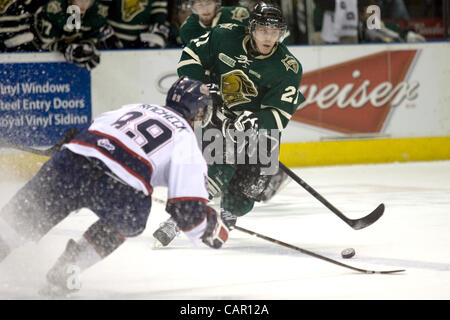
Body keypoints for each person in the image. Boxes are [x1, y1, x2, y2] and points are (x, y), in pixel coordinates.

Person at [0, 76, 229, 296]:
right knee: (131, 219)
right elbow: (187, 212)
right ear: (200, 113)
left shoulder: (134, 107)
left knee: (16, 225)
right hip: (120, 190)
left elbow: (93, 130)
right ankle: (69, 266)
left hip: (72, 161)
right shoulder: (186, 139)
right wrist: (210, 228)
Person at [153, 1, 304, 246]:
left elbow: (280, 114)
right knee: (216, 168)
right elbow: (191, 56)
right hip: (220, 114)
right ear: (251, 29)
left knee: (249, 189)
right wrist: (201, 85)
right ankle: (180, 218)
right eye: (264, 30)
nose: (269, 37)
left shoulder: (288, 67)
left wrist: (255, 121)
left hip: (258, 129)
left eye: (275, 32)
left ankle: (228, 214)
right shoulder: (225, 35)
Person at [32, 0, 111, 69]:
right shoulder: (54, 8)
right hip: (36, 62)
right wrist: (64, 48)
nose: (83, 3)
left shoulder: (99, 11)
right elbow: (41, 44)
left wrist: (88, 48)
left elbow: (93, 37)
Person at [179, 0, 251, 46]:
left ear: (216, 3)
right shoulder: (187, 29)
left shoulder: (236, 15)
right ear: (193, 7)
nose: (205, 9)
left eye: (209, 3)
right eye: (199, 5)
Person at [105, 0, 171, 48]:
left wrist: (152, 37)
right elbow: (100, 10)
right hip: (113, 41)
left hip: (141, 43)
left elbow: (159, 16)